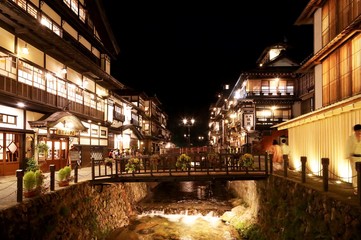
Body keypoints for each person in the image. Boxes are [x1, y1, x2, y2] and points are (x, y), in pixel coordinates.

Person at [345, 124, 361, 195]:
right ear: (355, 131)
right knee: (355, 173)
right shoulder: (351, 138)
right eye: (357, 131)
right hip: (354, 158)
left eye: (360, 131)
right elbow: (348, 148)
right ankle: (356, 188)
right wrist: (349, 156)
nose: (359, 132)